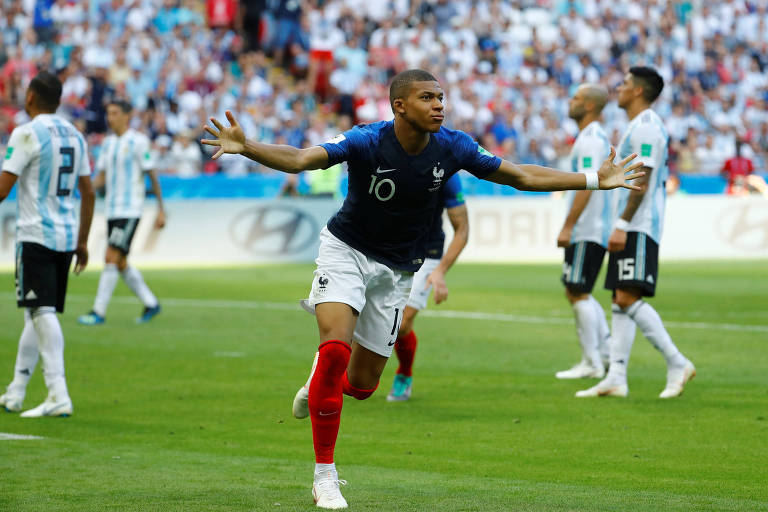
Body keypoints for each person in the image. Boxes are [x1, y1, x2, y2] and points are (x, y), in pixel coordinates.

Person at [201, 69, 643, 510]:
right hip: (347, 251)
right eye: (427, 97)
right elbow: (301, 159)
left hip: (398, 269)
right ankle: (324, 475)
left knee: (361, 385)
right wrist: (248, 147)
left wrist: (592, 180)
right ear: (399, 105)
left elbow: (519, 176)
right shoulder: (365, 140)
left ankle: (319, 378)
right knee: (335, 350)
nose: (439, 105)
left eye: (441, 97)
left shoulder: (454, 146)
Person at [577, 67, 696, 400]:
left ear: (639, 91)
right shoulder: (638, 126)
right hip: (633, 224)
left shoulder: (646, 128)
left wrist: (622, 225)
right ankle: (616, 376)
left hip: (639, 225)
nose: (619, 88)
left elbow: (640, 180)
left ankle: (677, 362)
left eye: (625, 84)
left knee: (628, 296)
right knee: (619, 296)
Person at [0, 71, 95, 417]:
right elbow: (89, 191)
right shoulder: (76, 134)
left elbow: (2, 189)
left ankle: (58, 393)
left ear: (29, 97)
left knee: (41, 311)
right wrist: (83, 241)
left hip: (36, 234)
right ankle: (16, 391)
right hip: (66, 236)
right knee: (35, 313)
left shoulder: (26, 133)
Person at [77, 99, 164, 326]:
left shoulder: (139, 141)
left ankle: (98, 312)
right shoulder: (107, 143)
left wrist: (161, 210)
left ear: (127, 116)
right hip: (112, 209)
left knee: (110, 256)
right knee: (121, 262)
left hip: (130, 209)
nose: (110, 117)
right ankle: (151, 303)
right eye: (109, 113)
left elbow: (152, 174)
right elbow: (102, 178)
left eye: (115, 113)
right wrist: (81, 188)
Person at [386, 172, 468, 401]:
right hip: (386, 248)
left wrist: (440, 271)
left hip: (426, 253)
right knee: (363, 317)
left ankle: (404, 374)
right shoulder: (388, 157)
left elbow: (462, 229)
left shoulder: (446, 171)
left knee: (401, 324)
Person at [554, 83, 613, 380]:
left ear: (590, 105)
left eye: (576, 97)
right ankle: (604, 352)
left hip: (588, 228)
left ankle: (592, 362)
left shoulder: (590, 140)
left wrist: (568, 226)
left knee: (576, 291)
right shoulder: (593, 137)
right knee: (580, 290)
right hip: (594, 227)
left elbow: (587, 185)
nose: (571, 100)